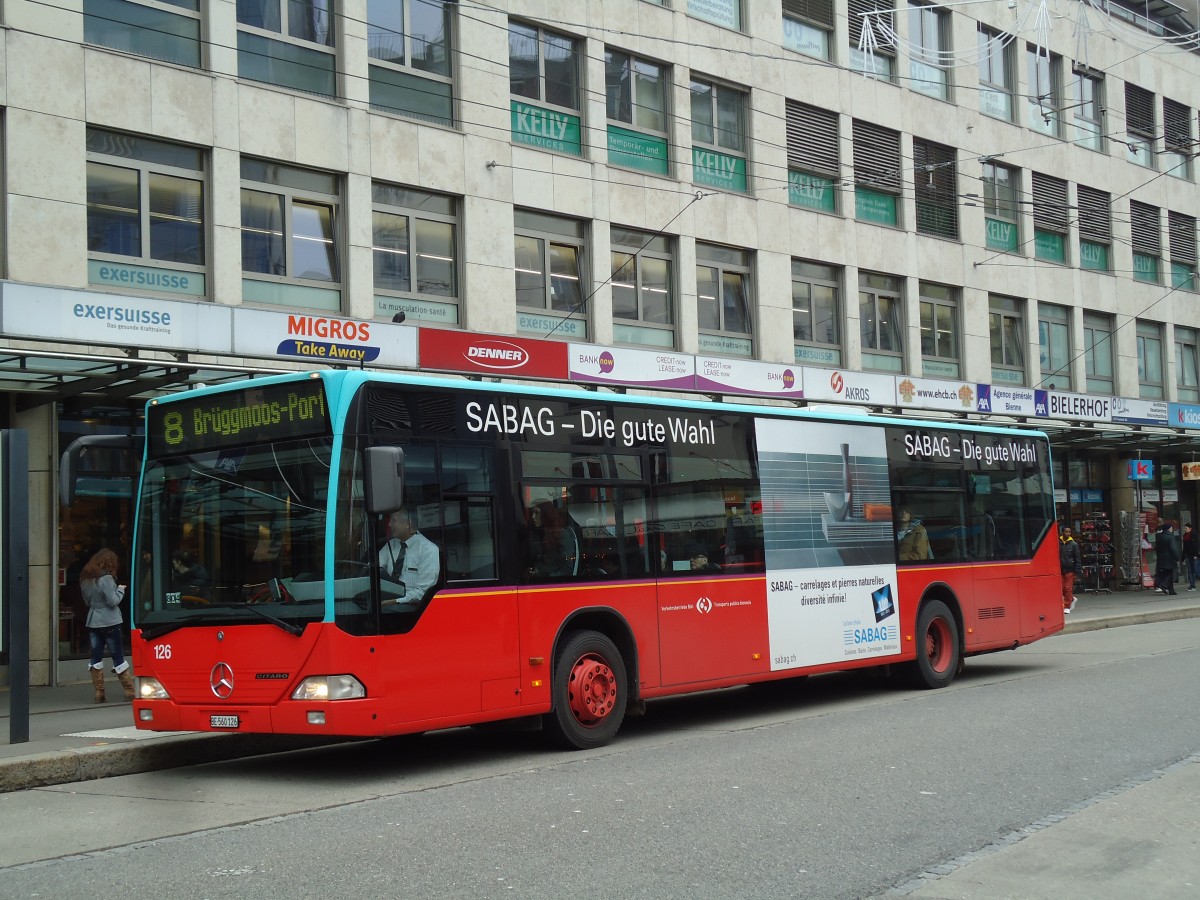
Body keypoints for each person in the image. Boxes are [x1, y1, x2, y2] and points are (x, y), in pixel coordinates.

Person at [79, 548, 133, 703]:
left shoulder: (85, 579)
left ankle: (99, 693)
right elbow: (113, 601)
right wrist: (120, 590)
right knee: (118, 655)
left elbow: (87, 602)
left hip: (93, 620)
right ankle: (129, 691)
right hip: (110, 620)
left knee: (96, 656)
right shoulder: (107, 579)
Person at [379, 507, 440, 604]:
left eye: (394, 520)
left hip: (412, 608)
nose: (390, 524)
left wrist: (395, 601)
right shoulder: (391, 545)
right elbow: (376, 569)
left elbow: (423, 592)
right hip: (388, 599)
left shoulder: (428, 550)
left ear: (408, 524)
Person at [1058, 523, 1081, 613]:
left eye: (1069, 532)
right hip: (1061, 569)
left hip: (1070, 569)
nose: (1068, 533)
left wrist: (1077, 569)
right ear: (1062, 532)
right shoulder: (1058, 543)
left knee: (1068, 588)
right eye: (1066, 532)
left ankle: (1067, 606)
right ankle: (1071, 599)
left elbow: (1077, 557)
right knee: (1062, 588)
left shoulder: (1074, 544)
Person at [1154, 522, 1180, 595]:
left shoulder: (1159, 537)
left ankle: (1171, 590)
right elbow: (1173, 548)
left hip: (1161, 559)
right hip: (1170, 559)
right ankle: (1164, 585)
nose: (1172, 529)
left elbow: (1156, 548)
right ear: (1169, 529)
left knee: (1166, 573)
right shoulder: (1170, 537)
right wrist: (1176, 557)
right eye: (1171, 527)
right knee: (1172, 573)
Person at [1182, 523, 1198, 592]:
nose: (1185, 529)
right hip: (1188, 555)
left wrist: (1196, 554)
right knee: (1190, 571)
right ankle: (1192, 586)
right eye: (1184, 528)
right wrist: (1182, 556)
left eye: (1186, 528)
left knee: (1197, 570)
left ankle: (1192, 585)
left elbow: (1197, 545)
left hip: (1194, 556)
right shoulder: (1185, 536)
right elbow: (1184, 547)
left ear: (1190, 528)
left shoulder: (1194, 535)